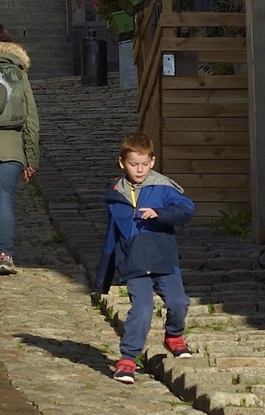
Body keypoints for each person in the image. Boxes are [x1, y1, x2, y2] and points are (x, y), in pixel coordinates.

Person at [93, 127, 195, 382]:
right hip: (133, 262)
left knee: (178, 303)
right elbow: (111, 237)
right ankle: (128, 359)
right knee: (142, 310)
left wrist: (161, 213)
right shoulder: (116, 196)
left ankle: (174, 336)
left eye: (144, 164)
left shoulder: (163, 188)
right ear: (122, 163)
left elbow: (187, 209)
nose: (139, 170)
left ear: (152, 162)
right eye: (133, 164)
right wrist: (102, 280)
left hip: (164, 259)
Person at [0, 19, 39, 274]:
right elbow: (31, 118)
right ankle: (5, 254)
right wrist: (32, 157)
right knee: (4, 201)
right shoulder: (19, 71)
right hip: (11, 146)